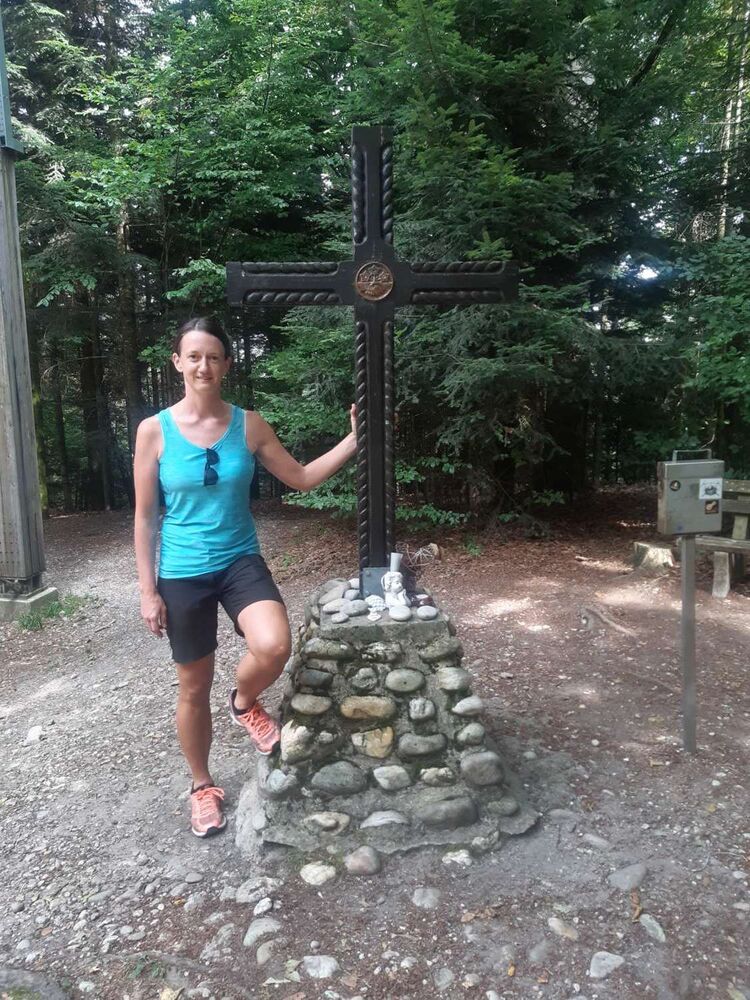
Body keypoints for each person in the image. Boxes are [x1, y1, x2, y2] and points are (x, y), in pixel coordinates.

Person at [133, 316, 356, 838]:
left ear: (227, 364)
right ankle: (202, 785)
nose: (203, 366)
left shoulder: (248, 425)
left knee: (274, 645)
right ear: (177, 362)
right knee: (193, 685)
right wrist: (147, 591)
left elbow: (301, 478)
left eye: (213, 357)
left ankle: (243, 702)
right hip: (182, 571)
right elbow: (144, 517)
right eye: (193, 356)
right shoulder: (153, 430)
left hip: (239, 560)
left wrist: (355, 439)